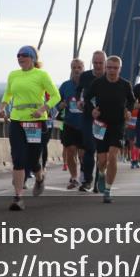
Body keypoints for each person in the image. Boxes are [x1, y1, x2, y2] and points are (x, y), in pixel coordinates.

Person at [0, 46, 60, 211]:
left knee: (32, 160)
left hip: (36, 121)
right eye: (18, 55)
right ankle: (18, 197)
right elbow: (8, 94)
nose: (20, 58)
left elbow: (56, 96)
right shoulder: (13, 75)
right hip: (17, 120)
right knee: (18, 158)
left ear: (32, 58)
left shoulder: (42, 75)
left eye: (23, 55)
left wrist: (42, 109)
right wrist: (2, 107)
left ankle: (39, 178)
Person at [87, 55, 136, 203]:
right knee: (102, 160)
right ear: (105, 68)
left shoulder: (125, 84)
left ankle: (107, 190)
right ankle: (101, 174)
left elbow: (132, 100)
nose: (112, 70)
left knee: (112, 157)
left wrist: (128, 110)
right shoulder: (98, 83)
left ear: (120, 69)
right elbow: (87, 97)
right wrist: (92, 110)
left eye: (115, 68)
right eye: (109, 67)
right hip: (101, 124)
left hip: (117, 124)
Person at [76, 50, 106, 191]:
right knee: (90, 148)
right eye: (95, 63)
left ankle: (98, 182)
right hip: (88, 116)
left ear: (105, 63)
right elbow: (78, 91)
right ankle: (87, 181)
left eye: (100, 63)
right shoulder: (85, 76)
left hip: (106, 119)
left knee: (101, 151)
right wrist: (79, 101)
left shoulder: (110, 76)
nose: (98, 66)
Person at [57, 58, 87, 189]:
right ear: (71, 69)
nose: (76, 70)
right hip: (69, 124)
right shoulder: (65, 86)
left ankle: (84, 176)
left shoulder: (89, 85)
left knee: (82, 154)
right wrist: (60, 105)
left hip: (85, 124)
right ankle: (74, 177)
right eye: (74, 67)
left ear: (83, 69)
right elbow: (56, 103)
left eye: (79, 67)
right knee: (70, 151)